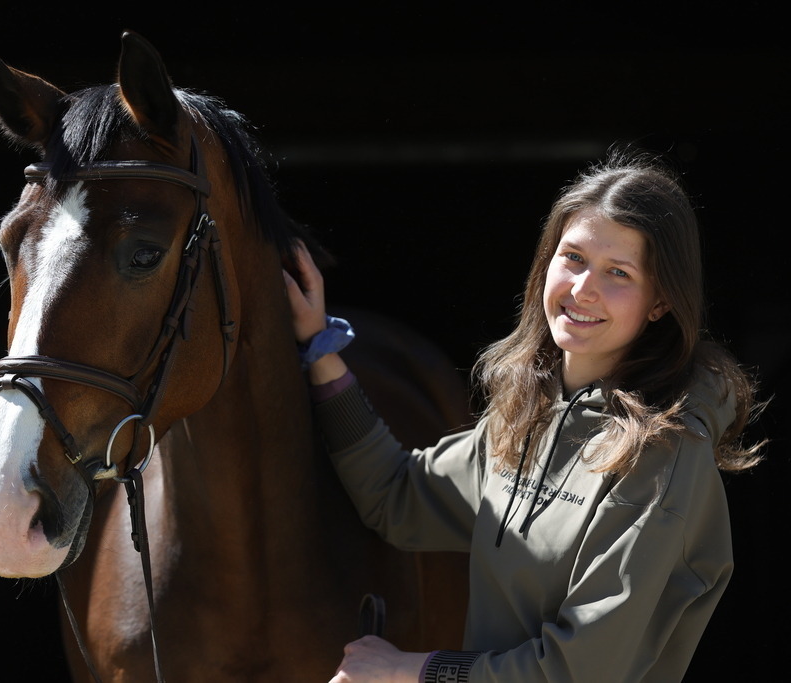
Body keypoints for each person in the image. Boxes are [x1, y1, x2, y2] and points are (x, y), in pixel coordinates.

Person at [283, 152, 764, 682]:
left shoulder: (664, 453)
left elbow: (579, 671)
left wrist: (409, 671)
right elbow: (396, 495)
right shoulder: (528, 412)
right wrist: (321, 347)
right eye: (573, 258)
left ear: (659, 303)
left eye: (618, 273)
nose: (583, 289)